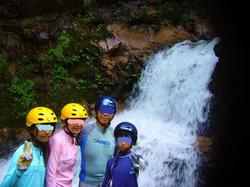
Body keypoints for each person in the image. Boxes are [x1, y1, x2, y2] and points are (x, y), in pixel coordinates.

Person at [0, 106, 58, 187]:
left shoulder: (43, 150)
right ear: (31, 129)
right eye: (43, 127)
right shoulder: (24, 151)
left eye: (50, 127)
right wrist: (18, 171)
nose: (48, 132)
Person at [46, 103, 89, 187]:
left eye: (81, 121)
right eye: (74, 121)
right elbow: (50, 173)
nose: (79, 124)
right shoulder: (58, 140)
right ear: (65, 121)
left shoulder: (73, 138)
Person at [79, 96, 117, 187]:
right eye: (102, 110)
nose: (105, 114)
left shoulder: (114, 134)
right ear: (96, 112)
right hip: (86, 182)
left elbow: (121, 155)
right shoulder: (85, 130)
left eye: (109, 111)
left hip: (107, 182)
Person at [102, 122, 148, 187]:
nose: (123, 143)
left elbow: (146, 169)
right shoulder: (111, 162)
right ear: (116, 140)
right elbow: (106, 183)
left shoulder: (137, 159)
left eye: (127, 140)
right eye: (120, 139)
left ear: (133, 142)